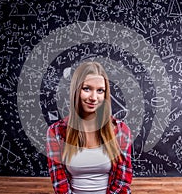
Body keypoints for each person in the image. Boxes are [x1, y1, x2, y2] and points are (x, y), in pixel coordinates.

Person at [46, 61, 132, 194]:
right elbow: (60, 184)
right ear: (76, 90)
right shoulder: (56, 132)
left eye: (100, 91)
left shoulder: (121, 131)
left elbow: (122, 182)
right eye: (86, 89)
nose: (93, 97)